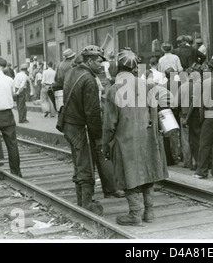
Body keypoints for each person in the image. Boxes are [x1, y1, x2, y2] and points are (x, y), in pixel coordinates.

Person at [102, 49, 168, 226]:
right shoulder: (146, 85)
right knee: (147, 171)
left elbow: (109, 123)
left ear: (117, 66)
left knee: (129, 174)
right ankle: (149, 212)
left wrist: (105, 143)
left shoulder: (114, 90)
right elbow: (154, 112)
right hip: (147, 136)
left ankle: (135, 215)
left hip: (126, 139)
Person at [62, 46, 106, 214]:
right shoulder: (89, 79)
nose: (101, 65)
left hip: (69, 124)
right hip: (81, 127)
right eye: (99, 61)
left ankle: (81, 199)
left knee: (79, 162)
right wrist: (99, 136)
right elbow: (92, 113)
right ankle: (87, 205)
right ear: (89, 61)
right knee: (86, 164)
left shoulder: (72, 73)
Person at [177, 63, 202, 170]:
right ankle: (197, 161)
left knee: (185, 140)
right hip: (197, 116)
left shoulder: (182, 87)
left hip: (184, 115)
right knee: (197, 139)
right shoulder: (199, 86)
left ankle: (188, 162)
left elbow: (176, 102)